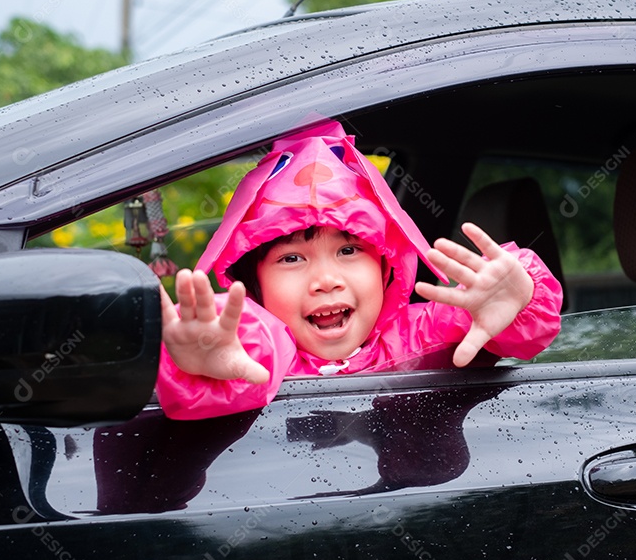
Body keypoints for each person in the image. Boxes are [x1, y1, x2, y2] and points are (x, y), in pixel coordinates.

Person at [157, 119, 563, 420]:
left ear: (388, 268)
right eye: (291, 259)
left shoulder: (421, 332)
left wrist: (522, 300)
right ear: (254, 284)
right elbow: (239, 354)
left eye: (349, 249)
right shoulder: (262, 347)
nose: (326, 280)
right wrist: (195, 364)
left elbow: (505, 332)